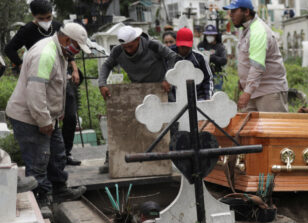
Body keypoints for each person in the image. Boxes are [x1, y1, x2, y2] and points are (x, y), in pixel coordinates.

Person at [5, 23, 91, 210]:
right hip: (28, 117)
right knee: (38, 159)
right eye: (77, 46)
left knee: (57, 154)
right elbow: (35, 91)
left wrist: (56, 113)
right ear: (67, 40)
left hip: (45, 114)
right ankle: (41, 200)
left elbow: (54, 85)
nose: (76, 52)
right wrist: (43, 120)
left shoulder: (60, 51)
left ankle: (60, 189)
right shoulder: (45, 54)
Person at [4, 0, 83, 166]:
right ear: (34, 16)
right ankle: (49, 162)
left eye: (49, 17)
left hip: (60, 76)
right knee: (42, 113)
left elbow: (69, 49)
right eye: (42, 18)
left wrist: (74, 68)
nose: (47, 21)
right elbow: (9, 49)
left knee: (68, 115)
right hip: (39, 75)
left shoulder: (59, 27)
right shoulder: (27, 31)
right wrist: (21, 65)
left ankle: (65, 154)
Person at [97, 25, 178, 173]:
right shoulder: (118, 51)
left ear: (138, 39)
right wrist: (102, 83)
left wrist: (168, 78)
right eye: (125, 47)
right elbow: (107, 65)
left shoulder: (153, 45)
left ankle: (176, 158)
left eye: (131, 46)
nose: (128, 50)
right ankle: (111, 159)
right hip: (138, 91)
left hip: (160, 89)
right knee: (123, 122)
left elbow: (172, 56)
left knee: (173, 123)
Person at [225, 0, 289, 112]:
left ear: (247, 12)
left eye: (234, 11)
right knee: (249, 129)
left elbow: (257, 66)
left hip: (268, 93)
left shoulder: (258, 30)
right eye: (230, 11)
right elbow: (247, 59)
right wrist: (243, 81)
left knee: (273, 128)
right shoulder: (246, 29)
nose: (230, 14)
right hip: (253, 90)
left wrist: (247, 92)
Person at [172, 28, 213, 100]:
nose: (184, 49)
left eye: (186, 47)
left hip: (198, 97)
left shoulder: (199, 57)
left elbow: (208, 79)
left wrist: (208, 99)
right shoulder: (169, 56)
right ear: (177, 43)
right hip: (175, 99)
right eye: (182, 46)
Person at [197, 25, 228, 91]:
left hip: (216, 75)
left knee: (216, 93)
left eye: (211, 35)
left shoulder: (220, 47)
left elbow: (224, 60)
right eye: (208, 35)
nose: (209, 36)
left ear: (215, 36)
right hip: (203, 75)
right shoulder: (201, 45)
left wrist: (212, 58)